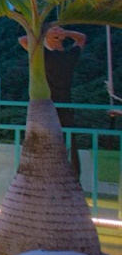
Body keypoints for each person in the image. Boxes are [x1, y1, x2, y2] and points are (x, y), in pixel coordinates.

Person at [19, 26, 86, 176]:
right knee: (69, 142)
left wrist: (46, 34)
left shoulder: (43, 55)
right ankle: (74, 177)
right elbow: (81, 37)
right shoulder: (70, 56)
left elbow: (22, 40)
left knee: (44, 143)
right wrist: (65, 33)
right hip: (65, 105)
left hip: (45, 107)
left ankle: (44, 175)